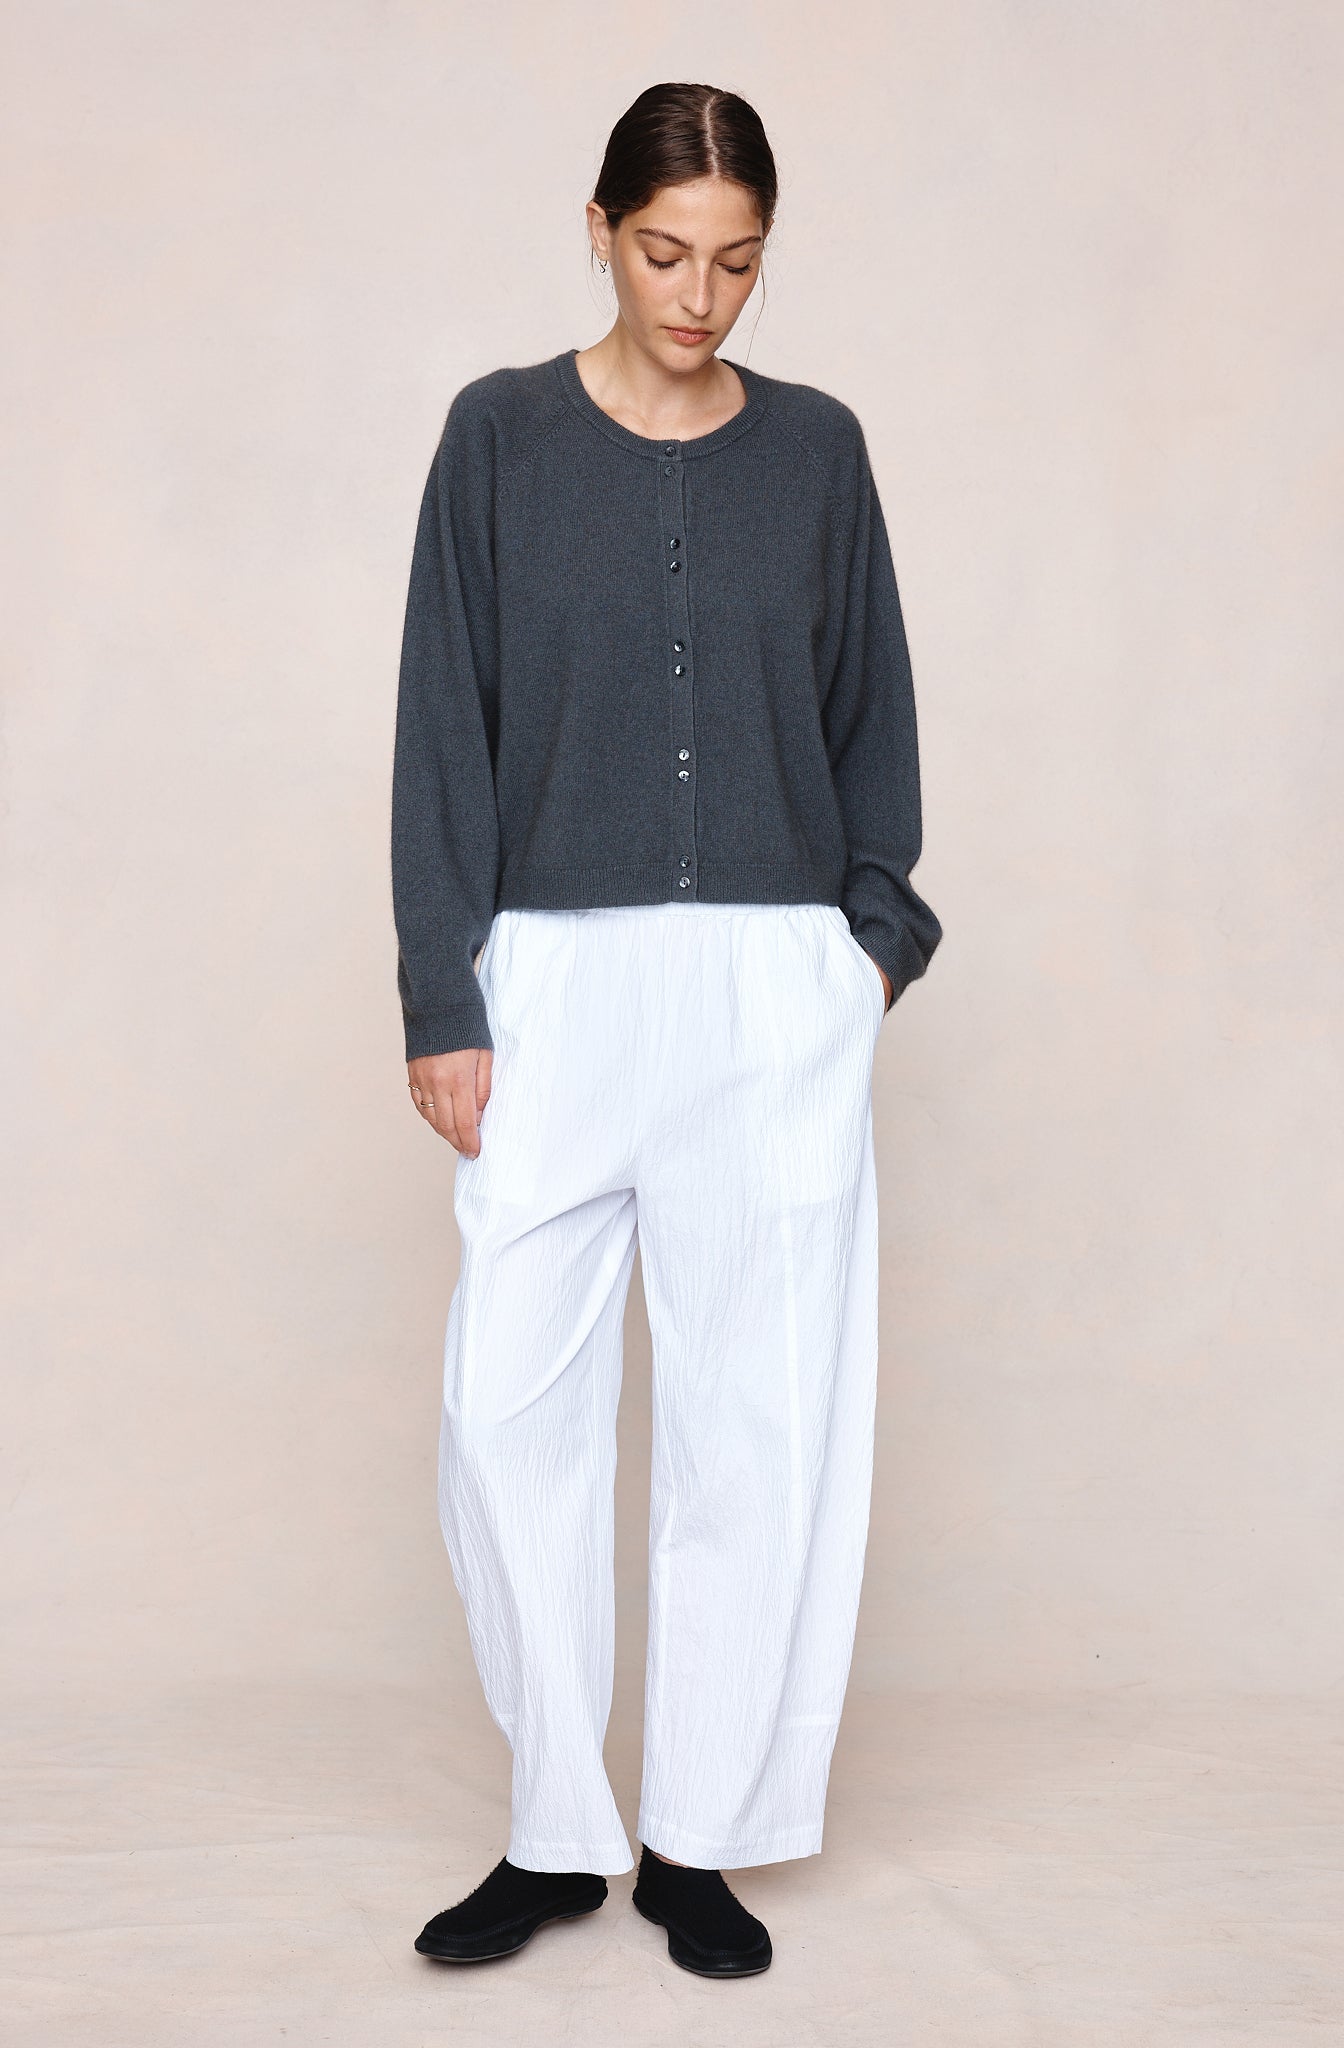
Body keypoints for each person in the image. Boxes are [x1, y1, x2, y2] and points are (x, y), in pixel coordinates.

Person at [390, 80, 942, 1981]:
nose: (698, 297)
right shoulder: (499, 437)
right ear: (600, 232)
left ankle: (698, 1837)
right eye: (662, 254)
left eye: (737, 262)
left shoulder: (818, 453)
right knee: (504, 1407)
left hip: (773, 987)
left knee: (756, 1420)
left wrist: (867, 948)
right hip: (551, 980)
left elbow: (872, 713)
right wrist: (443, 990)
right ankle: (556, 1829)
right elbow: (439, 724)